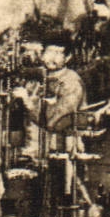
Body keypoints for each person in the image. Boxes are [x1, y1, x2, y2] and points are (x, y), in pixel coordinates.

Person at [11, 33, 85, 161]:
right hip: (33, 150)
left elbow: (56, 120)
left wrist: (28, 102)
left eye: (58, 53)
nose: (51, 57)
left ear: (68, 57)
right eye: (49, 52)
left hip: (61, 154)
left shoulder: (71, 81)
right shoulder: (37, 79)